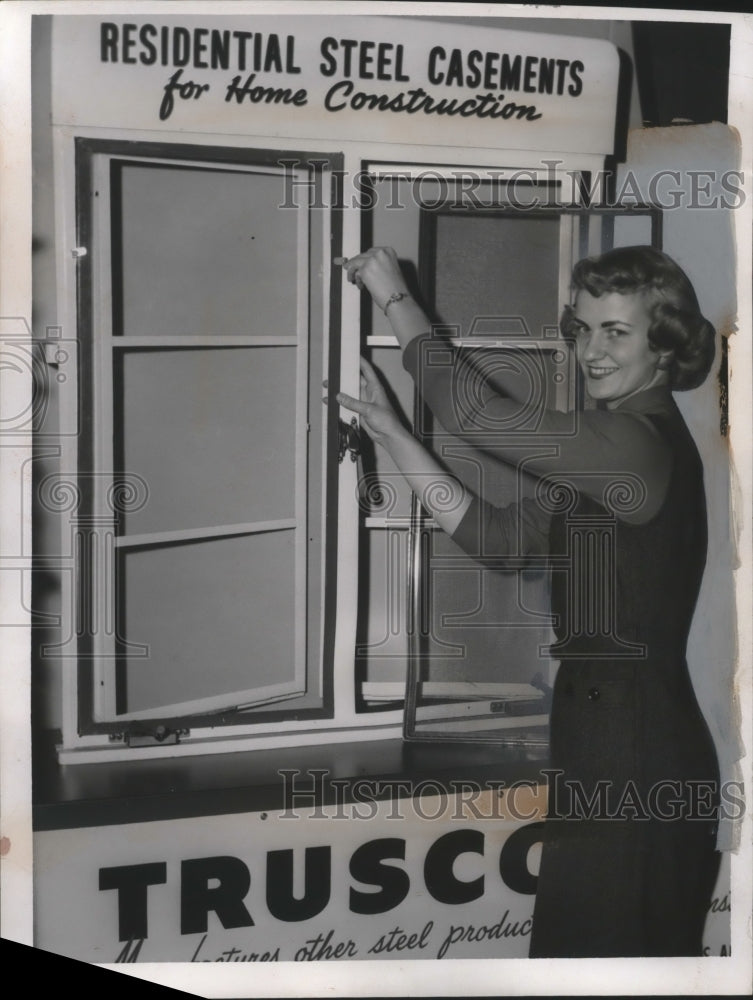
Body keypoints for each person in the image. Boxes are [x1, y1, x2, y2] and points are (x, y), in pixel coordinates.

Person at [334, 244, 721, 958]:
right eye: (581, 328)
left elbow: (480, 415)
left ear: (662, 345)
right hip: (607, 750)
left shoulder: (636, 445)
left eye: (616, 331)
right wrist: (393, 436)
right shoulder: (610, 455)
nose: (590, 350)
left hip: (634, 757)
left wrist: (394, 295)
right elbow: (494, 537)